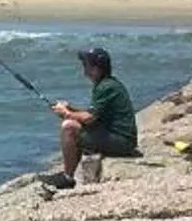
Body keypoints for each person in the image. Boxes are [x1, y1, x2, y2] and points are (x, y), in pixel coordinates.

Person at [48, 46, 136, 187]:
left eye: (86, 65)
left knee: (69, 127)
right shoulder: (108, 84)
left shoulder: (106, 87)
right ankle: (71, 174)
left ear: (96, 68)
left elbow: (89, 118)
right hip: (119, 137)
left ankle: (67, 178)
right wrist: (71, 108)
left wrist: (66, 113)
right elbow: (94, 114)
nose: (84, 70)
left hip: (122, 141)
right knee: (73, 122)